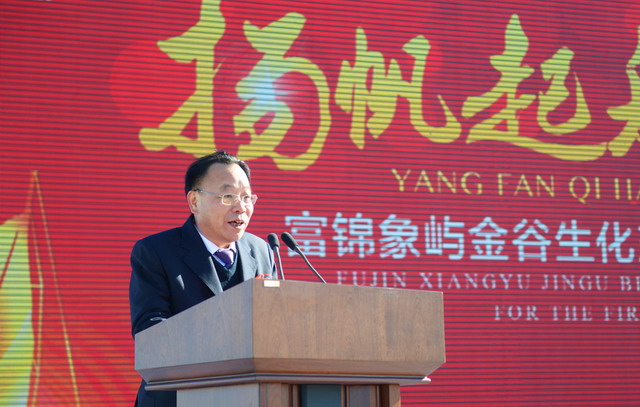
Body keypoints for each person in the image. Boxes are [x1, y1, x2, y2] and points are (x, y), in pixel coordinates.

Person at [129, 151, 276, 407]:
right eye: (228, 196)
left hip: (247, 397)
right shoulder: (156, 251)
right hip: (178, 396)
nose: (240, 207)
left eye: (246, 197)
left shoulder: (261, 250)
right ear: (194, 201)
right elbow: (150, 331)